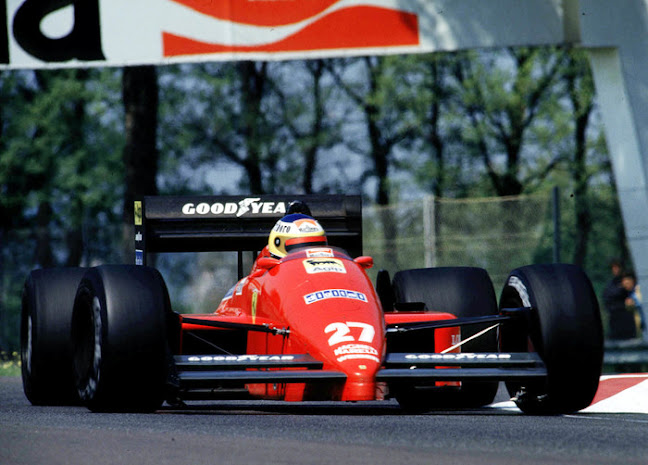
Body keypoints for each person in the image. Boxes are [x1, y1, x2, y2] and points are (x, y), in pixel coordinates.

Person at [602, 259, 636, 340]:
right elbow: (607, 299)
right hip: (615, 321)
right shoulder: (611, 285)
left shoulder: (629, 282)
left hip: (628, 321)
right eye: (613, 267)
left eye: (617, 267)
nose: (615, 270)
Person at [621, 272, 647, 341]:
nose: (625, 286)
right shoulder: (631, 293)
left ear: (632, 281)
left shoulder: (639, 289)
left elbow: (642, 302)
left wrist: (634, 302)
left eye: (627, 283)